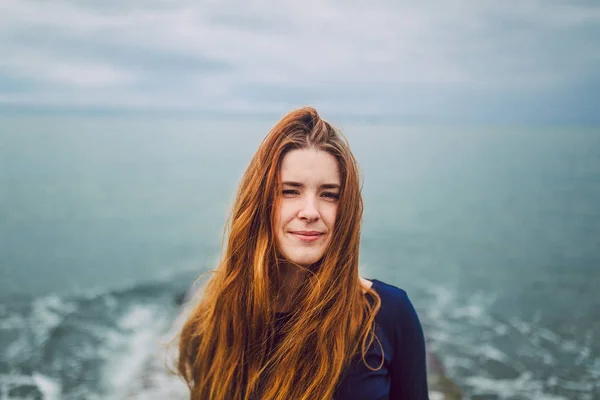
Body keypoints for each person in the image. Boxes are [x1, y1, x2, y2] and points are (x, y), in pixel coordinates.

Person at [176, 107, 429, 399]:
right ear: (260, 204)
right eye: (290, 191)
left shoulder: (389, 313)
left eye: (329, 194)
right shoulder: (214, 319)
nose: (310, 212)